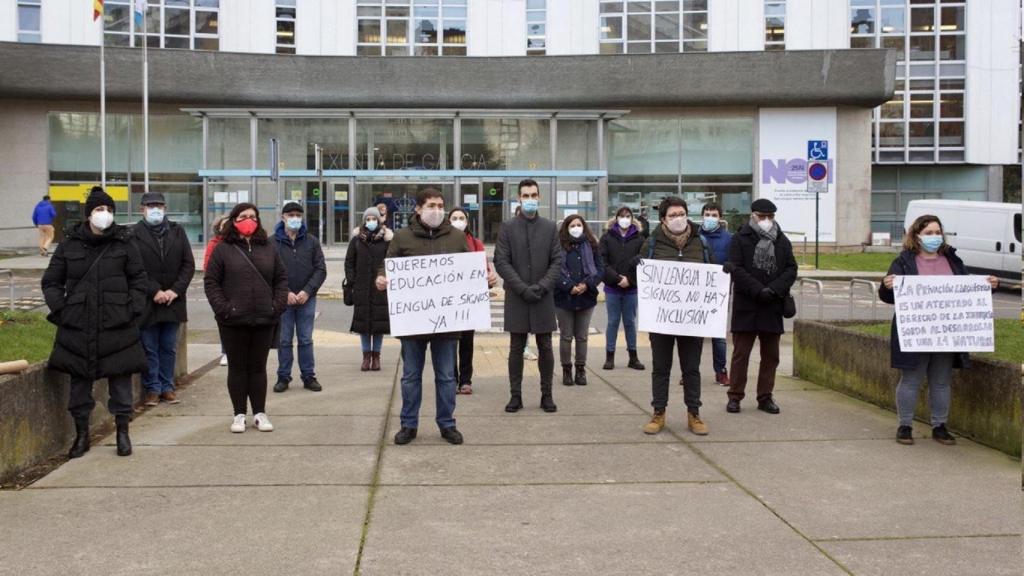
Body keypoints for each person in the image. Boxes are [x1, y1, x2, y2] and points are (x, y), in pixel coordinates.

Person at [41, 186, 149, 458]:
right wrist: (63, 311)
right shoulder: (69, 245)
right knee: (79, 386)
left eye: (109, 210)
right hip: (78, 325)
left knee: (121, 384)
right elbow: (52, 282)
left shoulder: (125, 243)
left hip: (117, 325)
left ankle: (123, 433)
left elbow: (139, 280)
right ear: (89, 214)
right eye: (100, 210)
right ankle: (81, 436)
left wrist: (132, 309)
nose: (105, 215)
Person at [878, 214, 999, 445]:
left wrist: (989, 287)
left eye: (937, 232)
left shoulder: (952, 261)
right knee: (911, 379)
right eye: (928, 233)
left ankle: (940, 426)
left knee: (941, 381)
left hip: (946, 334)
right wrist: (887, 286)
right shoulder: (903, 262)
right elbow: (889, 296)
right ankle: (905, 426)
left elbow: (968, 291)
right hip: (915, 332)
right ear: (917, 236)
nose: (934, 237)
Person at [375, 188, 471, 445]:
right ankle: (408, 425)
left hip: (447, 322)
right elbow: (387, 263)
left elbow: (469, 272)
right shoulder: (403, 238)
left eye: (441, 205)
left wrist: (486, 279)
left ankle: (447, 424)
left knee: (447, 376)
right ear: (418, 209)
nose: (437, 210)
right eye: (431, 205)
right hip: (413, 323)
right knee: (410, 377)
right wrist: (381, 277)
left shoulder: (457, 237)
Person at [204, 203, 289, 433]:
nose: (248, 220)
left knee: (258, 368)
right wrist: (224, 309)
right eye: (243, 216)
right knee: (238, 368)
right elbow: (211, 282)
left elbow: (281, 280)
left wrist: (275, 306)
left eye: (253, 216)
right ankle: (239, 414)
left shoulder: (268, 248)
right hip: (233, 321)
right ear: (234, 220)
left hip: (264, 318)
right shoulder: (223, 249)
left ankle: (259, 413)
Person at [641, 197, 712, 436]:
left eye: (681, 213)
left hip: (691, 319)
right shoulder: (652, 243)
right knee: (661, 368)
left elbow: (711, 274)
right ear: (663, 219)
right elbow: (641, 276)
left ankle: (694, 413)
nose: (678, 218)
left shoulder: (699, 242)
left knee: (691, 368)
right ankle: (658, 412)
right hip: (661, 319)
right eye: (672, 215)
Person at [494, 179, 563, 413]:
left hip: (543, 296)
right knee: (516, 347)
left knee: (545, 346)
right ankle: (515, 395)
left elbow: (557, 260)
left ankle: (547, 395)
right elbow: (501, 261)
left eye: (534, 195)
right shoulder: (507, 227)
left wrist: (542, 286)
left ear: (540, 197)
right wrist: (522, 287)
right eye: (526, 195)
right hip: (517, 296)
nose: (530, 199)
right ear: (518, 198)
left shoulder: (550, 227)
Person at [725, 199, 798, 416]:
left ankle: (765, 396)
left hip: (772, 305)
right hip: (747, 305)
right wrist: (758, 289)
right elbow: (735, 268)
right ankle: (735, 396)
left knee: (771, 356)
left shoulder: (782, 240)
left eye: (770, 217)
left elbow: (791, 268)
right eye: (761, 216)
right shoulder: (740, 238)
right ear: (753, 216)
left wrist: (774, 289)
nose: (766, 220)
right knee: (741, 355)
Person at [129, 191, 195, 407]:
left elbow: (188, 265)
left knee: (168, 347)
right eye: (150, 206)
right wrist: (154, 290)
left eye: (159, 205)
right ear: (142, 209)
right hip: (148, 301)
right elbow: (133, 267)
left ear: (165, 208)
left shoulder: (177, 231)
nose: (155, 209)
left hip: (172, 301)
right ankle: (152, 389)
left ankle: (167, 387)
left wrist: (174, 291)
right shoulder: (133, 233)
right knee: (149, 347)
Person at [272, 202, 327, 393]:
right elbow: (269, 272)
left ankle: (308, 376)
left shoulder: (311, 241)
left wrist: (307, 291)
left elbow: (320, 269)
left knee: (305, 339)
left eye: (298, 215)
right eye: (291, 215)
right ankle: (283, 376)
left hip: (306, 299)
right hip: (284, 299)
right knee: (285, 340)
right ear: (283, 217)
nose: (294, 218)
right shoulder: (272, 243)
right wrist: (285, 292)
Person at [448, 207, 496, 394]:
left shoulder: (476, 244)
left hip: (469, 301)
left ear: (467, 221)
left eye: (461, 218)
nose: (458, 220)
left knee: (467, 343)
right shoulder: (442, 241)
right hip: (448, 301)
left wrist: (490, 279)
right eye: (455, 218)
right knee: (449, 343)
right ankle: (451, 378)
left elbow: (484, 269)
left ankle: (466, 380)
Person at [554, 215, 604, 386]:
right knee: (566, 336)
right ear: (566, 228)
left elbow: (600, 269)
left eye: (579, 225)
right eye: (572, 225)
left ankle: (581, 370)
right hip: (563, 297)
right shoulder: (558, 246)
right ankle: (566, 370)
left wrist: (586, 284)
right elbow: (554, 270)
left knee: (582, 337)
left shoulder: (592, 245)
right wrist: (568, 286)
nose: (576, 228)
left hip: (586, 297)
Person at [599, 206, 646, 371]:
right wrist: (617, 278)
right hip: (613, 288)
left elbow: (643, 262)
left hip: (631, 289)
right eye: (621, 216)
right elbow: (602, 262)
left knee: (630, 322)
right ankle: (609, 356)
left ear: (632, 218)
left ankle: (633, 357)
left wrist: (630, 280)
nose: (624, 219)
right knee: (612, 322)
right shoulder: (606, 238)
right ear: (616, 218)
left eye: (628, 216)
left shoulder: (640, 239)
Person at [346, 207, 392, 371]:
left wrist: (386, 279)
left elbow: (390, 261)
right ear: (364, 221)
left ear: (379, 221)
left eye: (374, 219)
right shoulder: (357, 240)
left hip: (380, 288)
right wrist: (352, 280)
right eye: (368, 219)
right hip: (361, 288)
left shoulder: (387, 240)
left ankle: (376, 356)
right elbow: (349, 262)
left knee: (379, 324)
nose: (371, 221)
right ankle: (366, 356)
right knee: (363, 324)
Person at [697, 202, 733, 386]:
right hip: (695, 293)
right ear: (702, 215)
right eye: (707, 214)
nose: (710, 217)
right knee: (693, 336)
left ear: (720, 217)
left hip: (718, 293)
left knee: (718, 336)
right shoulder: (693, 236)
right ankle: (690, 371)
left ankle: (721, 371)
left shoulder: (728, 239)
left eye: (714, 214)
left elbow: (735, 261)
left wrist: (730, 267)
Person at [204, 216, 229, 367]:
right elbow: (208, 268)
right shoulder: (214, 244)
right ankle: (225, 352)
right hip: (221, 290)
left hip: (239, 288)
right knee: (224, 322)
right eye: (224, 225)